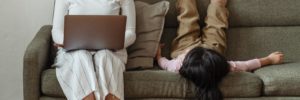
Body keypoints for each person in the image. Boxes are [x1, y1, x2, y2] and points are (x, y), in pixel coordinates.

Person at [156, 0, 284, 100]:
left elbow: (164, 63)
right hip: (212, 50)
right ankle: (218, 3)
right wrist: (269, 59)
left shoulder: (178, 66)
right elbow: (246, 65)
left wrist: (158, 55)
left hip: (185, 48)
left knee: (186, 20)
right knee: (216, 25)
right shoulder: (221, 66)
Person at [51, 0, 136, 100]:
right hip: (74, 51)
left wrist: (114, 43)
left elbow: (131, 32)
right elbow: (56, 31)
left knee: (105, 58)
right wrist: (69, 41)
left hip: (110, 50)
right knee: (81, 58)